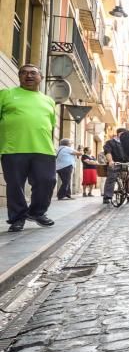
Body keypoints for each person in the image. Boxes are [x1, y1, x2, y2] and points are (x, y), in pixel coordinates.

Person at [0, 64, 57, 231]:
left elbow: (49, 126)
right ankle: (17, 218)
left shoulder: (49, 101)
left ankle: (36, 212)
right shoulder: (6, 94)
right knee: (15, 185)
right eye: (23, 73)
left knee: (47, 181)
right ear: (19, 77)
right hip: (13, 148)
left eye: (33, 73)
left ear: (41, 78)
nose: (28, 76)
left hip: (44, 149)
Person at [102, 128, 128, 205]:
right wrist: (110, 161)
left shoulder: (127, 142)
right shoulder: (110, 142)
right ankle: (107, 197)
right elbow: (108, 152)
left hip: (126, 163)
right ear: (119, 134)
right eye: (123, 134)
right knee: (111, 178)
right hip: (115, 163)